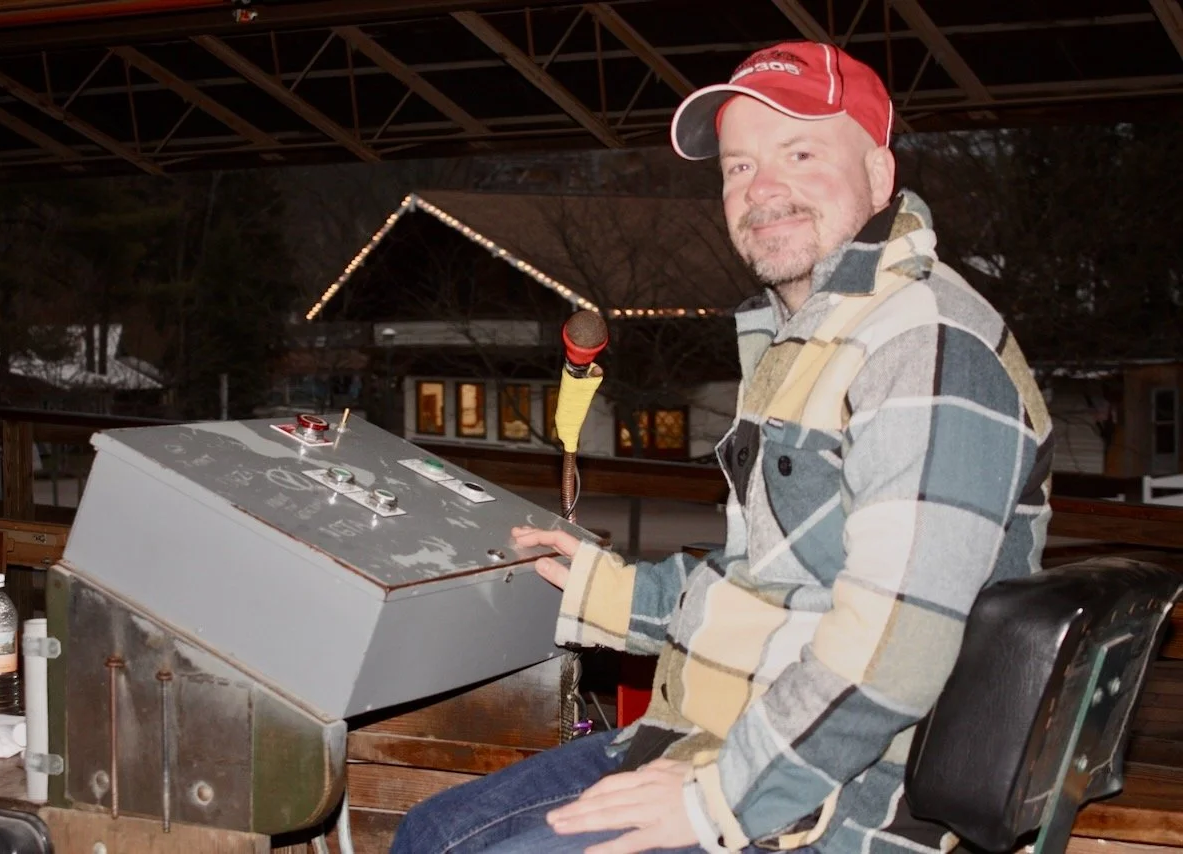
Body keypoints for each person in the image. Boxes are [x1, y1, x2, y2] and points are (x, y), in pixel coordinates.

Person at [391, 40, 1053, 854]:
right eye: (740, 167)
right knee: (430, 831)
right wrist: (600, 588)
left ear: (879, 175)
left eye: (800, 153)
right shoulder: (808, 339)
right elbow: (769, 584)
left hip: (835, 803)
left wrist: (715, 802)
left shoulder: (925, 345)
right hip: (710, 736)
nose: (761, 189)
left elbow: (893, 653)